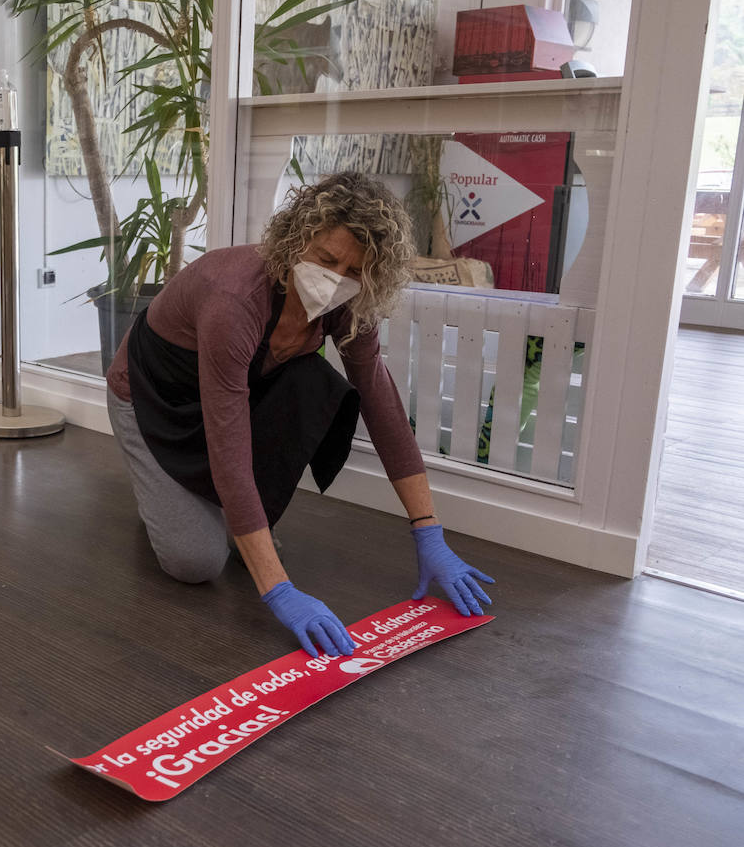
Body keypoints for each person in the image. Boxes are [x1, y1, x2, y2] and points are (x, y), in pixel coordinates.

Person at [106, 172, 494, 658]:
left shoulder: (354, 301)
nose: (335, 280)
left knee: (315, 382)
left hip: (237, 393)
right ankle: (165, 488)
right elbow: (229, 451)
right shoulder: (234, 301)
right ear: (295, 241)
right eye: (326, 260)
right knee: (197, 563)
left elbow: (381, 400)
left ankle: (222, 515)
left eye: (354, 272)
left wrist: (428, 528)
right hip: (153, 393)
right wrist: (279, 591)